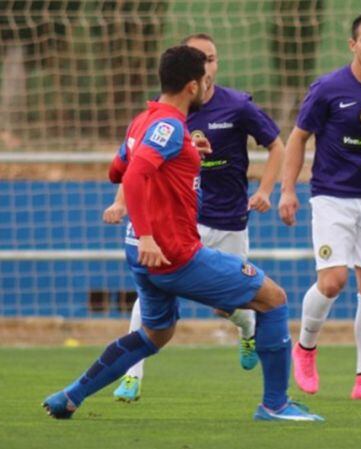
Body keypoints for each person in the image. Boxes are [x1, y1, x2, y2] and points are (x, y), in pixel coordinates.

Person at [42, 45, 323, 422]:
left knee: (155, 334)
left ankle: (71, 396)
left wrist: (186, 153)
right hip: (172, 253)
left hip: (144, 255)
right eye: (204, 79)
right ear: (193, 85)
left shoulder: (144, 121)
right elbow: (137, 174)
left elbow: (117, 169)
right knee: (273, 298)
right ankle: (275, 405)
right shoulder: (170, 126)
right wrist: (147, 234)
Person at [104, 33, 285, 402]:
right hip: (183, 222)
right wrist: (121, 201)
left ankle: (247, 328)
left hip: (229, 219)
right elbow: (140, 165)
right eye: (201, 59)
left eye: (213, 58)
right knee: (149, 292)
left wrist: (266, 190)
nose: (208, 66)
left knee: (227, 307)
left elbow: (277, 143)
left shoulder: (237, 105)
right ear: (189, 74)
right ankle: (131, 376)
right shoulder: (163, 116)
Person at [278, 11, 361, 400]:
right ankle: (305, 347)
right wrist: (287, 190)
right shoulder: (328, 88)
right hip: (332, 197)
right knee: (333, 281)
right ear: (353, 45)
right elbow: (298, 138)